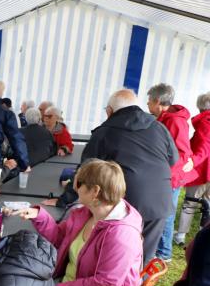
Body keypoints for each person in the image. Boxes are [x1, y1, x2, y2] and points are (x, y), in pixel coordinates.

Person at [15, 160, 143, 286]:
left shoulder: (122, 235)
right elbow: (60, 237)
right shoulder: (85, 213)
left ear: (95, 191)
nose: (75, 188)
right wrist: (38, 215)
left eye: (79, 184)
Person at [81, 88, 178, 262]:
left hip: (127, 201)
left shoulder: (105, 131)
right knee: (145, 255)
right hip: (159, 199)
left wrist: (63, 200)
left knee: (118, 256)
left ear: (109, 111)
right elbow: (173, 159)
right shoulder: (158, 126)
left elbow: (86, 171)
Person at [147, 83, 195, 262]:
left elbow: (182, 153)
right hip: (164, 176)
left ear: (157, 101)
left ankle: (164, 252)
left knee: (166, 214)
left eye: (149, 101)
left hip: (170, 178)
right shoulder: (165, 118)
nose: (147, 104)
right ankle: (161, 249)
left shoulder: (175, 121)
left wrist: (163, 174)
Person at [176, 92, 210, 246]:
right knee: (207, 203)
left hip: (201, 169)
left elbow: (204, 146)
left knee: (190, 202)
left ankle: (181, 236)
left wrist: (192, 161)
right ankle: (203, 234)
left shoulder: (205, 121)